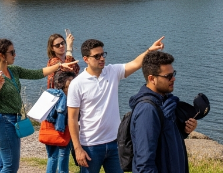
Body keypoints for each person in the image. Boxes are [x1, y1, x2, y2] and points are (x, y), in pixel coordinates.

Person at [67, 36, 166, 173]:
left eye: (103, 54)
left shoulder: (112, 72)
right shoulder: (77, 84)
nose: (102, 58)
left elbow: (135, 63)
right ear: (86, 59)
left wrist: (150, 50)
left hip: (115, 143)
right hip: (90, 146)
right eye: (97, 56)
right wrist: (78, 149)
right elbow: (72, 118)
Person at [0, 38, 79, 173]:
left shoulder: (13, 70)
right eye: (12, 52)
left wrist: (59, 66)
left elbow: (36, 73)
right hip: (3, 121)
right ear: (1, 55)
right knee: (10, 166)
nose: (15, 55)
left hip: (14, 121)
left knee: (2, 164)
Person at [129, 51, 197, 173]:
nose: (173, 78)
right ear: (152, 78)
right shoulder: (147, 110)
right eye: (168, 76)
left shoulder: (166, 103)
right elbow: (144, 164)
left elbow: (164, 141)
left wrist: (184, 131)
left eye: (173, 74)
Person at [44, 70, 77, 173]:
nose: (73, 83)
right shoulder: (65, 97)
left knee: (53, 156)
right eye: (70, 80)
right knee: (61, 154)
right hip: (62, 129)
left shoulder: (51, 94)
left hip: (51, 129)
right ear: (62, 82)